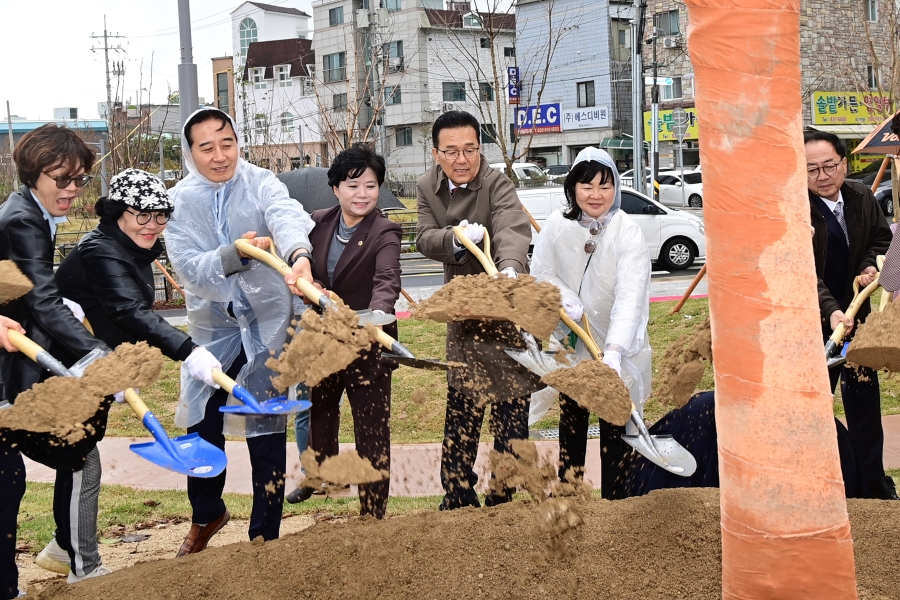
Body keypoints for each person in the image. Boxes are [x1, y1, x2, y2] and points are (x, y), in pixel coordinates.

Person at [164, 107, 316, 555]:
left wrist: (298, 253)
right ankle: (207, 512)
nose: (219, 155)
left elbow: (286, 214)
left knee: (265, 421)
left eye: (226, 143)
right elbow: (191, 269)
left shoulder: (261, 180)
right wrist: (235, 253)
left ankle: (264, 535)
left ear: (238, 141)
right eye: (206, 147)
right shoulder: (179, 201)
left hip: (268, 318)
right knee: (201, 423)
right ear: (190, 152)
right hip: (212, 326)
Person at [0, 124, 112, 595]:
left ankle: (60, 556)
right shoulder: (22, 220)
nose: (70, 190)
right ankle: (69, 560)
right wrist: (97, 356)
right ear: (33, 173)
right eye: (59, 179)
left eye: (79, 180)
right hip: (7, 375)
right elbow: (41, 302)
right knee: (37, 469)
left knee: (18, 475)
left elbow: (32, 298)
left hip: (15, 362)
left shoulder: (29, 213)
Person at [416, 110, 542, 510]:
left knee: (511, 410)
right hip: (466, 316)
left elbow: (510, 226)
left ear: (480, 149)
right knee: (463, 405)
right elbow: (422, 237)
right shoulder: (426, 187)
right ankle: (457, 496)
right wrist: (454, 239)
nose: (462, 159)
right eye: (451, 151)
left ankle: (503, 497)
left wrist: (509, 269)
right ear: (436, 154)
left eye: (470, 149)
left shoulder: (496, 182)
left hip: (507, 311)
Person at [286, 144, 401, 518]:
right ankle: (320, 474)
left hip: (369, 342)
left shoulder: (385, 231)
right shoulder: (317, 222)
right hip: (325, 341)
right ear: (336, 188)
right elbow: (305, 268)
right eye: (353, 186)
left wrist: (377, 316)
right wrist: (313, 286)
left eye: (370, 186)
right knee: (319, 413)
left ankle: (373, 510)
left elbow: (387, 280)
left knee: (371, 429)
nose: (362, 194)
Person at [530, 147, 652, 499]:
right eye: (587, 185)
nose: (596, 195)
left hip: (618, 345)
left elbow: (630, 296)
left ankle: (617, 498)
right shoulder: (557, 225)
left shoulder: (626, 232)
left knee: (615, 419)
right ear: (573, 188)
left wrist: (614, 350)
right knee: (572, 415)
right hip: (572, 335)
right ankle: (571, 493)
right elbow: (542, 273)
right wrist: (564, 295)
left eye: (605, 185)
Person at [805, 130, 896, 500]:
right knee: (812, 408)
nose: (822, 176)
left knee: (864, 406)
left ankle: (872, 487)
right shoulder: (797, 211)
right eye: (811, 169)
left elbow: (880, 240)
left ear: (844, 164)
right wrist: (830, 313)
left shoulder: (860, 196)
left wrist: (867, 270)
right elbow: (803, 272)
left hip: (857, 323)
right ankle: (817, 489)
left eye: (829, 165)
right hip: (814, 326)